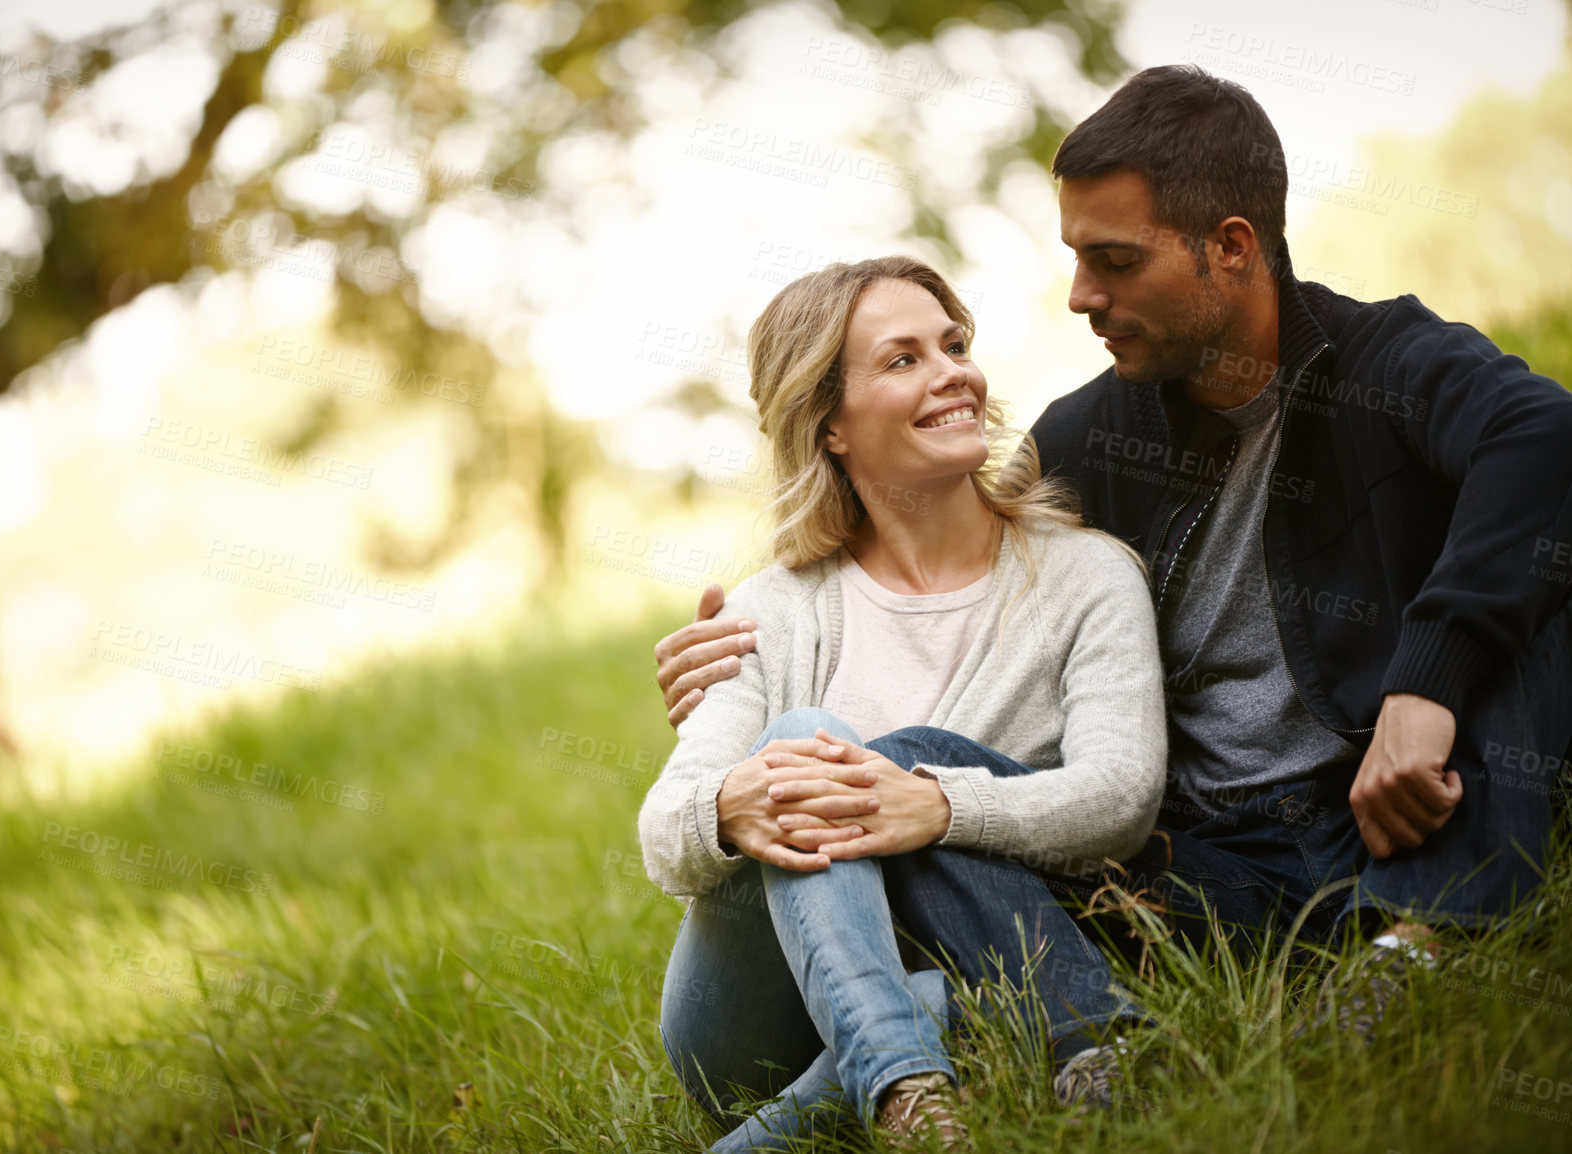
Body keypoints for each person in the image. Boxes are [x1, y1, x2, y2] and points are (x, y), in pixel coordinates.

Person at [655, 64, 1572, 1072]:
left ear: (1229, 247)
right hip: (1191, 867)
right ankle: (1096, 1050)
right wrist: (743, 653)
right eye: (1076, 257)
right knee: (918, 764)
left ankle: (1419, 946)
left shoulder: (1387, 363)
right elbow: (936, 527)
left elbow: (1546, 435)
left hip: (1397, 809)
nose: (1081, 295)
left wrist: (1424, 681)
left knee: (1543, 564)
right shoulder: (1088, 434)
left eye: (1115, 260)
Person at [638, 254, 1168, 1150]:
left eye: (952, 344)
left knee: (946, 998)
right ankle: (904, 1084)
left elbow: (1120, 799)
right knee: (807, 742)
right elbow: (665, 834)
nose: (952, 372)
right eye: (902, 359)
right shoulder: (771, 609)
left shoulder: (1087, 575)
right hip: (753, 1017)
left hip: (966, 971)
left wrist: (937, 806)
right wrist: (727, 806)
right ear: (831, 423)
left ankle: (902, 1095)